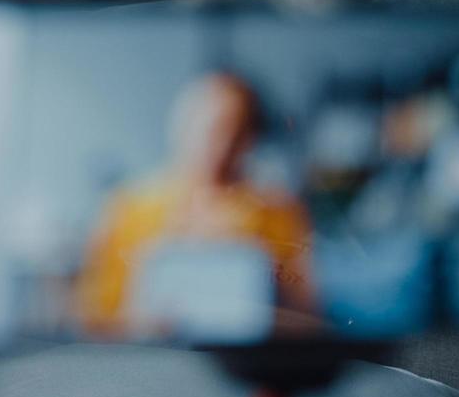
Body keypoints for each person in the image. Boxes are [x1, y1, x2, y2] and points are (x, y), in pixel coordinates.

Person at [73, 73, 316, 339]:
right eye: (208, 128)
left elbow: (307, 317)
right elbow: (90, 317)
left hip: (244, 371)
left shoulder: (277, 211)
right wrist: (139, 323)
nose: (220, 143)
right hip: (148, 366)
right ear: (180, 125)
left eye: (233, 130)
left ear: (250, 137)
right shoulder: (129, 207)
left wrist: (265, 288)